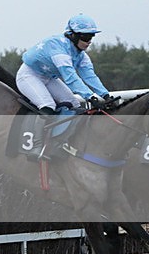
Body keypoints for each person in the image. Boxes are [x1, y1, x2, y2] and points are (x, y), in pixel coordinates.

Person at [16, 14, 113, 159]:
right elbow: (71, 78)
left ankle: (61, 143)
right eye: (86, 38)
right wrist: (91, 96)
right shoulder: (58, 48)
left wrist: (106, 95)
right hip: (29, 76)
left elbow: (90, 76)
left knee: (74, 104)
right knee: (48, 106)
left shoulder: (81, 55)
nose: (89, 42)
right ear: (73, 36)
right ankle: (35, 147)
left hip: (48, 78)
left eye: (91, 37)